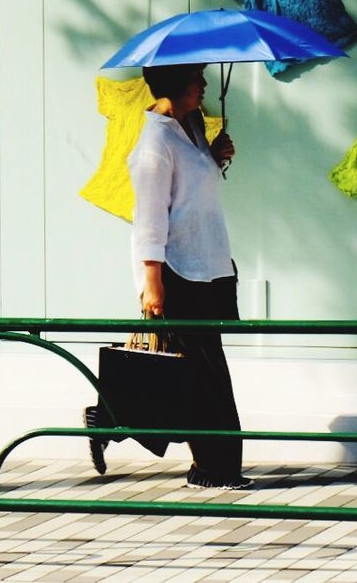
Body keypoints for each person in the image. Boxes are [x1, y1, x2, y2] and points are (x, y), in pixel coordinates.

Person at [85, 62, 252, 490]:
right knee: (204, 374)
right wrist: (152, 282)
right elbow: (150, 218)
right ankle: (215, 468)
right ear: (177, 83)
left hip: (209, 267)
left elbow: (192, 193)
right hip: (177, 271)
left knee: (195, 371)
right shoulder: (155, 142)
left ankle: (111, 416)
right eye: (198, 77)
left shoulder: (190, 128)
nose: (206, 84)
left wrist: (213, 158)